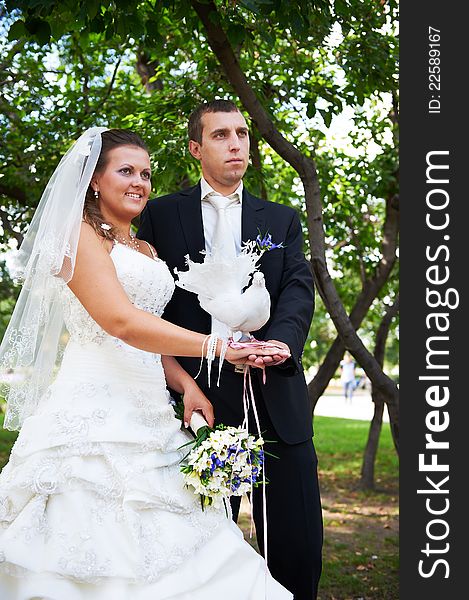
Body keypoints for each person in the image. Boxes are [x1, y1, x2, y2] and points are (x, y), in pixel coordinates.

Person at [0, 127, 293, 599]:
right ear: (95, 179)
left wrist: (184, 385)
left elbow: (148, 340)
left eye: (146, 173)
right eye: (126, 171)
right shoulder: (78, 236)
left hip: (152, 413)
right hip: (93, 415)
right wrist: (217, 348)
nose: (140, 182)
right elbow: (120, 322)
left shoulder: (145, 249)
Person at [138, 99, 323, 600]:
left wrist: (280, 342)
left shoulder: (280, 220)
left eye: (242, 134)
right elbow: (149, 304)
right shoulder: (158, 215)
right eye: (221, 135)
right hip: (197, 399)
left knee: (297, 545)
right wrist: (179, 377)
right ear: (196, 148)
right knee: (201, 548)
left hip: (274, 393)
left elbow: (297, 288)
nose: (236, 143)